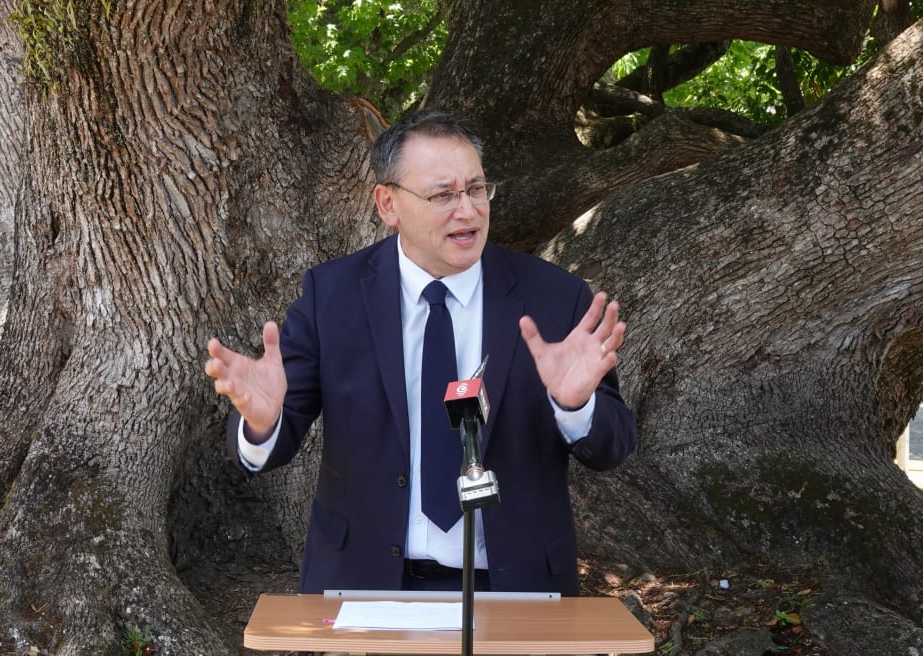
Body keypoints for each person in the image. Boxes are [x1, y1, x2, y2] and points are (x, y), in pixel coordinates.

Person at [205, 109, 637, 595]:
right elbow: (269, 450)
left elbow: (614, 447)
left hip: (516, 585)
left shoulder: (555, 299)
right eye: (442, 195)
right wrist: (264, 423)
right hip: (363, 582)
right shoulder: (333, 296)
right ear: (388, 204)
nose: (468, 210)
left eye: (476, 189)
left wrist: (577, 407)